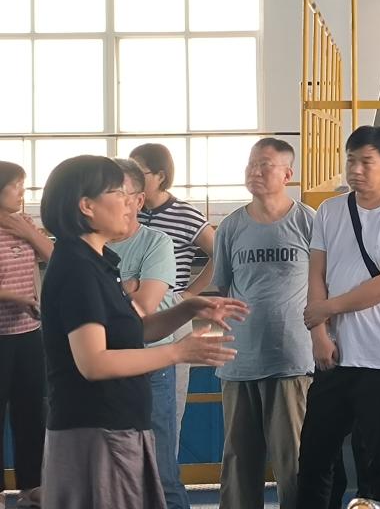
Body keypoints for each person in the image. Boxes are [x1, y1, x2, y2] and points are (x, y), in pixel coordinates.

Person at [38, 155, 246, 509]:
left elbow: (135, 331)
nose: (130, 202)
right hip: (95, 429)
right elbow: (94, 362)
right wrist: (178, 352)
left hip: (117, 424)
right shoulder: (77, 269)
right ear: (87, 206)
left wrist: (186, 309)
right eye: (118, 193)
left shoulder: (99, 263)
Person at [297, 126, 380, 509]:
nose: (355, 169)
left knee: (379, 462)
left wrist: (327, 309)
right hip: (334, 356)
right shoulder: (330, 210)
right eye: (350, 160)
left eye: (366, 162)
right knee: (315, 456)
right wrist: (319, 335)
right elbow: (317, 274)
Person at [213, 138, 316, 509]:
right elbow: (221, 286)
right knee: (239, 463)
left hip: (291, 361)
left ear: (287, 174)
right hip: (239, 361)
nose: (254, 172)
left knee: (295, 461)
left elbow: (324, 284)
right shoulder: (230, 227)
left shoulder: (308, 221)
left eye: (265, 165)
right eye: (250, 164)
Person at [108, 158, 188, 509]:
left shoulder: (156, 243)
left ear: (138, 200)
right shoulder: (86, 245)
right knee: (112, 473)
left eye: (117, 192)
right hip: (105, 364)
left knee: (160, 471)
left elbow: (145, 307)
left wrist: (111, 291)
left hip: (152, 364)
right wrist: (128, 285)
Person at [129, 143, 217, 449]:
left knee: (167, 413)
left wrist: (189, 294)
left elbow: (220, 254)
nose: (131, 179)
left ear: (160, 176)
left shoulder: (185, 214)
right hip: (132, 316)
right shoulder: (130, 212)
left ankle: (164, 471)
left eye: (139, 172)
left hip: (171, 317)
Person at [0, 161, 52, 509]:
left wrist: (30, 234)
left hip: (29, 333)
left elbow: (56, 257)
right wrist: (14, 297)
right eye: (16, 185)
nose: (22, 192)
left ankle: (31, 484)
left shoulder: (26, 224)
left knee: (32, 410)